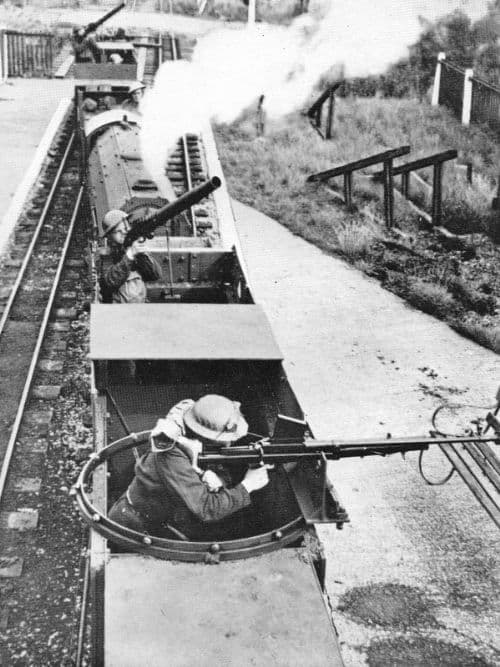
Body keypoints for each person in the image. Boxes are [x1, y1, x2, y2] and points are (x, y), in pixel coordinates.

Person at [108, 395, 271, 539]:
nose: (229, 443)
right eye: (225, 439)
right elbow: (206, 509)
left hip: (159, 520)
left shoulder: (192, 432)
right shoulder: (170, 454)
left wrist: (216, 477)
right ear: (204, 434)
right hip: (132, 525)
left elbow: (208, 463)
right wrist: (248, 485)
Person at [100, 209, 162, 304]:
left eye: (125, 228)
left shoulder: (132, 247)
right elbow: (110, 281)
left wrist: (143, 255)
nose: (123, 233)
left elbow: (155, 275)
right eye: (118, 231)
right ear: (109, 235)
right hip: (116, 308)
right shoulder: (106, 255)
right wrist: (129, 256)